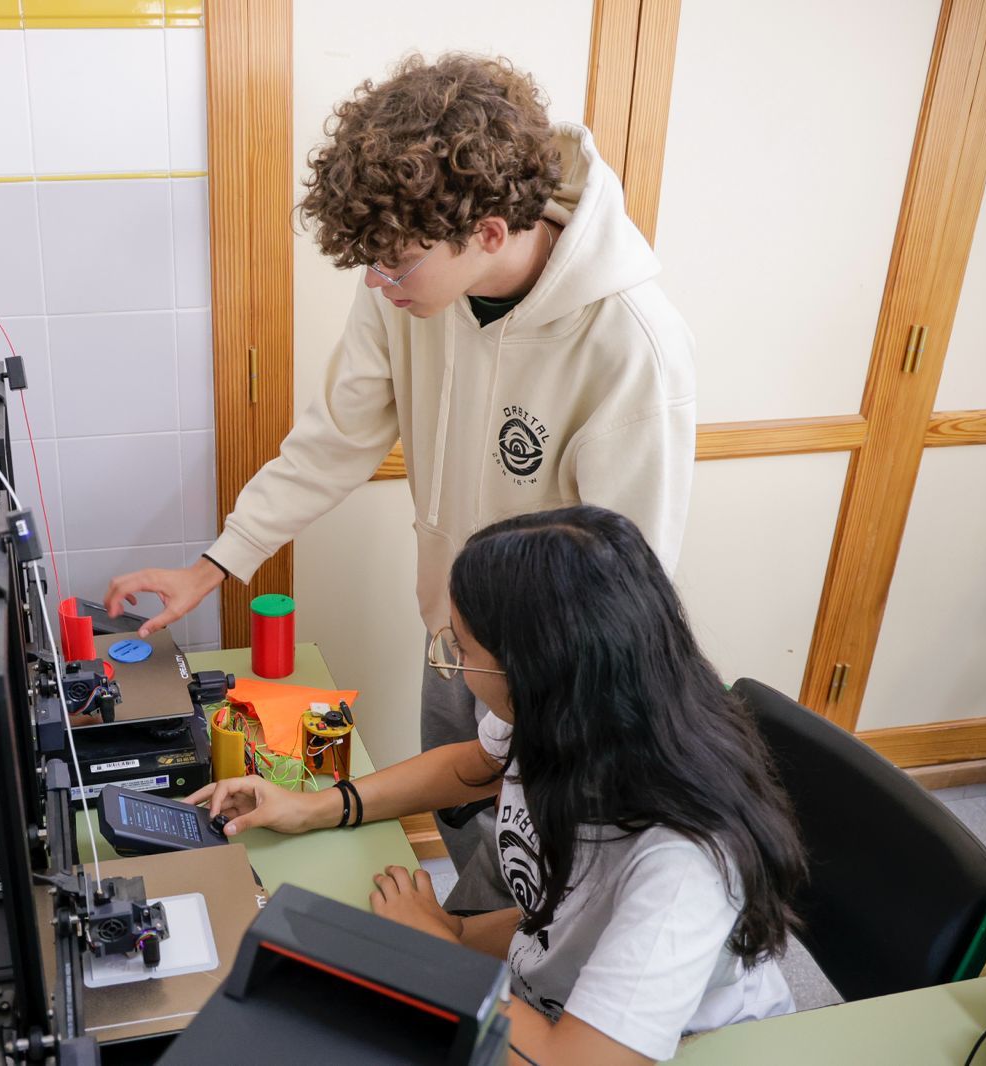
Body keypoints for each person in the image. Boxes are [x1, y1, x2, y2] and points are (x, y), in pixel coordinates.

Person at [106, 52, 695, 910]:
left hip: (561, 680)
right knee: (466, 837)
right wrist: (215, 563)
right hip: (454, 639)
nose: (379, 286)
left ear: (487, 231)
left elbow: (630, 583)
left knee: (530, 890)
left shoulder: (630, 345)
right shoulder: (405, 283)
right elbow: (336, 436)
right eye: (371, 266)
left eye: (396, 267)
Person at [187, 507, 804, 1065]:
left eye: (462, 648)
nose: (454, 664)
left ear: (533, 670)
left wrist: (437, 952)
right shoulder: (568, 714)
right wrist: (316, 807)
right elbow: (475, 768)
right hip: (545, 1003)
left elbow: (577, 1061)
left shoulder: (684, 864)